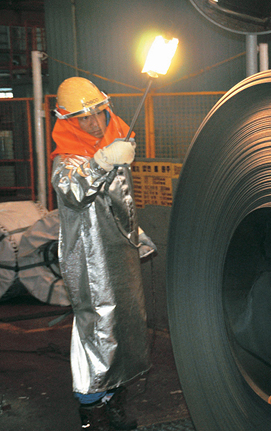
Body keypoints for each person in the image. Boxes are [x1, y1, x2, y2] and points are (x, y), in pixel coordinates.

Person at [50, 77, 155, 430]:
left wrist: (134, 235)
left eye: (99, 113)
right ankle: (90, 403)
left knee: (123, 323)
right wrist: (101, 162)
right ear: (67, 121)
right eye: (84, 118)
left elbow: (119, 200)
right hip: (90, 256)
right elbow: (73, 190)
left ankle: (112, 393)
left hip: (117, 252)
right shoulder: (67, 160)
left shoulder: (116, 141)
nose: (95, 123)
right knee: (95, 328)